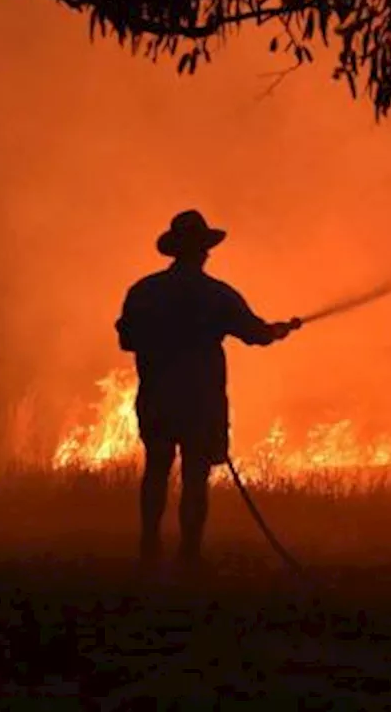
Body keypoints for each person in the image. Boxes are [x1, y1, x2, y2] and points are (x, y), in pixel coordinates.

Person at [116, 209, 301, 569]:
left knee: (156, 468)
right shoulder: (215, 295)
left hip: (156, 396)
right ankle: (189, 554)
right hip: (200, 401)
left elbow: (127, 339)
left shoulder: (144, 291)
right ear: (201, 252)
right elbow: (255, 334)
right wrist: (280, 330)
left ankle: (149, 547)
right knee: (195, 477)